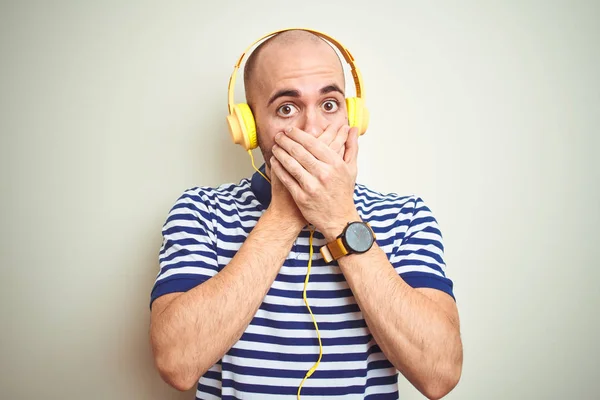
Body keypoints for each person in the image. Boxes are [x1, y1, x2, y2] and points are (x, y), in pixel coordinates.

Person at [149, 28, 462, 400]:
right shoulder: (201, 213)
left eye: (329, 104)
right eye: (286, 108)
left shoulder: (407, 216)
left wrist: (340, 220)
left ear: (353, 117)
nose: (312, 129)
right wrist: (284, 215)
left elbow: (440, 374)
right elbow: (177, 363)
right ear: (249, 128)